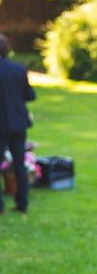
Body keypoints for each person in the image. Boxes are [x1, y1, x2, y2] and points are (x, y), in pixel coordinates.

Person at [0, 33, 36, 214]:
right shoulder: (18, 69)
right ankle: (23, 203)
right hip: (18, 123)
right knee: (20, 164)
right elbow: (30, 95)